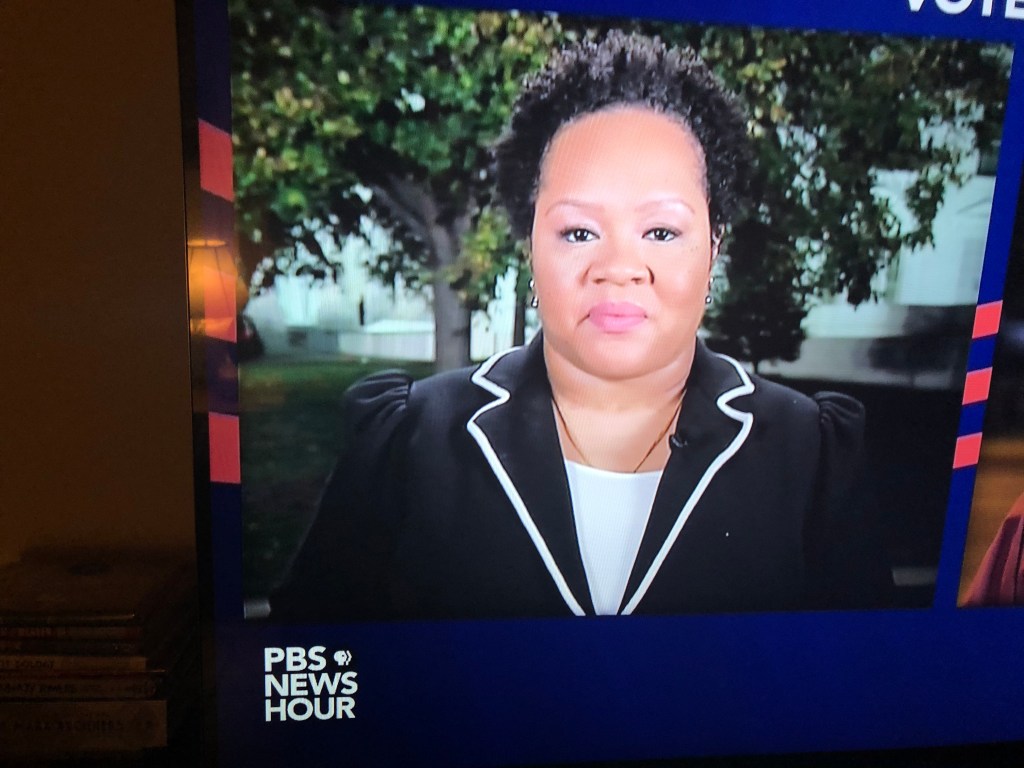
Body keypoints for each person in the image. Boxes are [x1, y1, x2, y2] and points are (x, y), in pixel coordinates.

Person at [271, 31, 892, 620]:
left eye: (661, 231)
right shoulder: (410, 440)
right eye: (578, 232)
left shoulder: (811, 455)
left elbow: (866, 675)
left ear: (713, 249)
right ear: (530, 248)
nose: (619, 268)